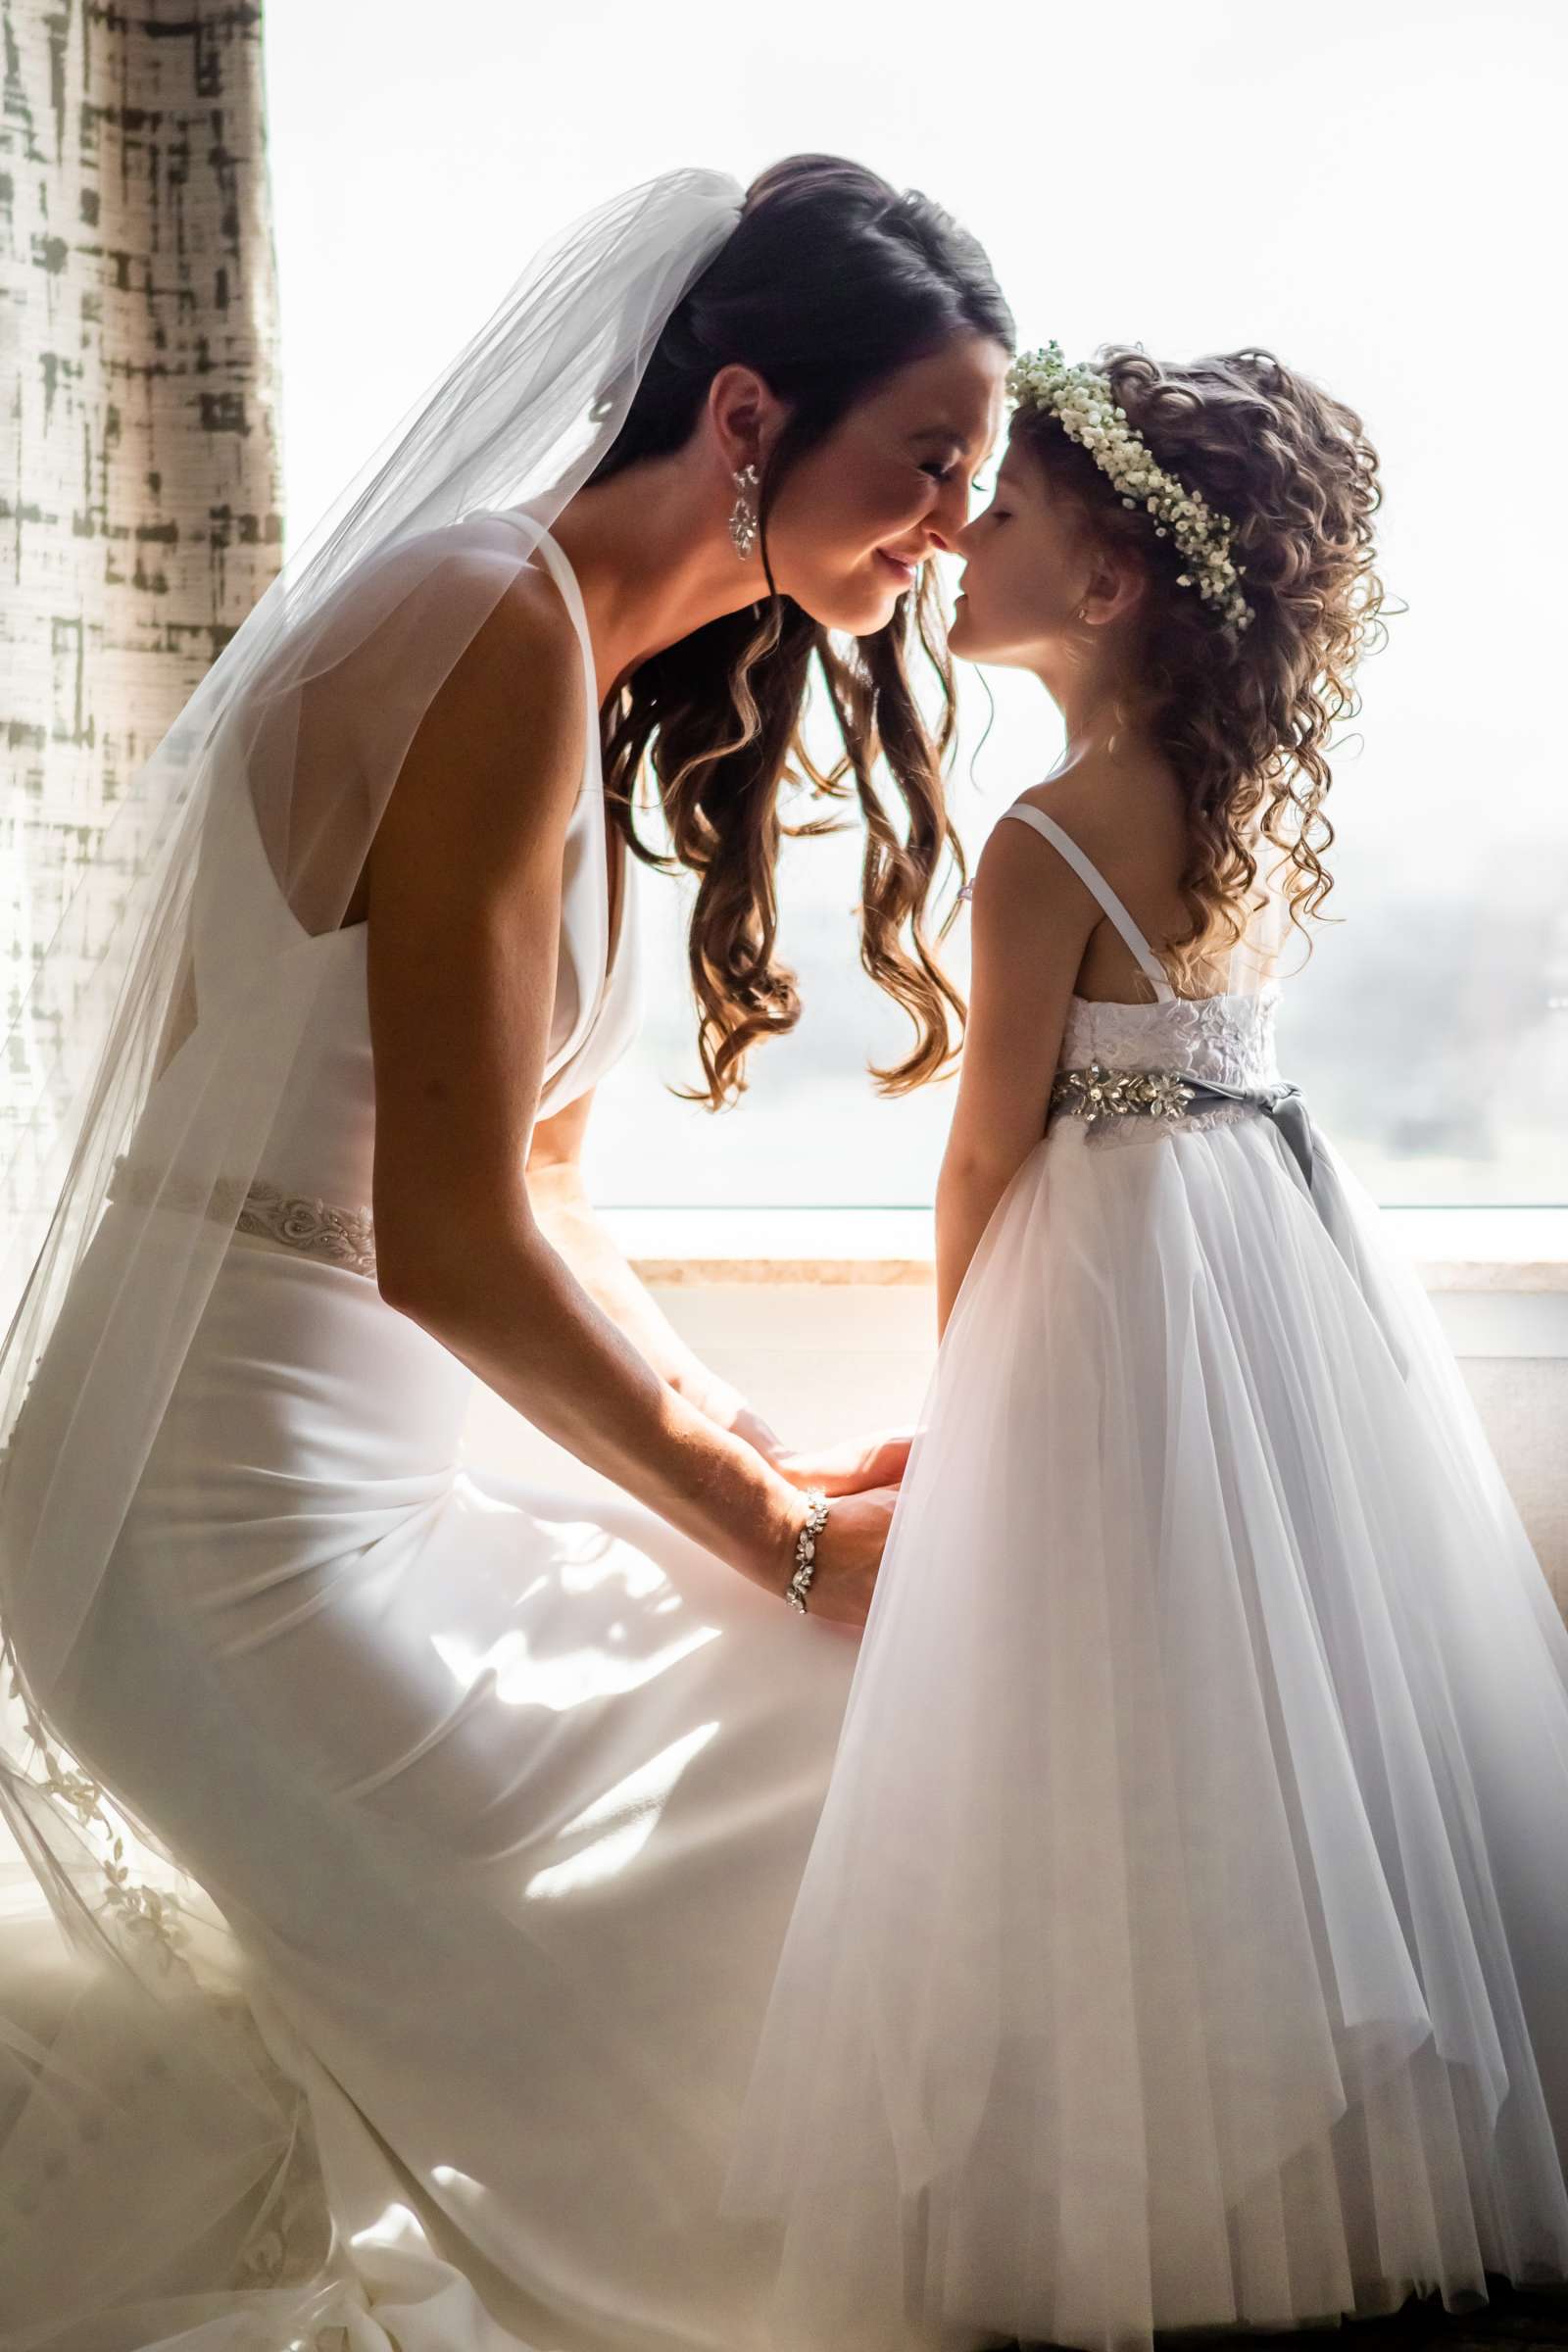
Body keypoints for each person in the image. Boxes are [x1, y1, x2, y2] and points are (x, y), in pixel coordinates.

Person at [0, 159, 1010, 2349]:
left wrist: (780, 1469)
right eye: (929, 462)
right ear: (744, 417)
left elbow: (536, 1197)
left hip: (363, 1497)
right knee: (673, 2053)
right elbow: (451, 1255)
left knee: (835, 1744)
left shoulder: (553, 654)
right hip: (205, 1535)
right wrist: (789, 1540)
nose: (952, 527)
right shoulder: (477, 625)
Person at [727, 341, 1568, 2352]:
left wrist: (968, 1398)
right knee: (1284, 1712)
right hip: (1265, 1264)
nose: (954, 539)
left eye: (997, 512)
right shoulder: (1230, 802)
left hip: (1104, 1292)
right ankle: (1323, 2140)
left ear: (1106, 588)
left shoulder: (1040, 842)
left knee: (1110, 1721)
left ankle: (1139, 2170)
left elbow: (980, 1154)